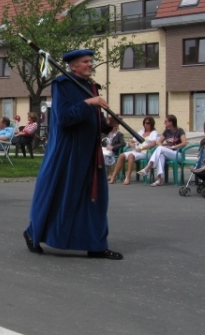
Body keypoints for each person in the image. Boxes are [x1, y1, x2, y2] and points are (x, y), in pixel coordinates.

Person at [23, 49, 123, 260]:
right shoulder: (63, 84)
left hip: (90, 153)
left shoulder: (91, 87)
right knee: (57, 196)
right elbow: (65, 118)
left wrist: (108, 124)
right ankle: (33, 233)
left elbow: (95, 123)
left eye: (90, 61)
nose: (90, 64)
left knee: (95, 200)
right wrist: (88, 103)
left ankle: (96, 245)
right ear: (73, 66)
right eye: (85, 62)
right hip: (67, 153)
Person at [138, 114, 188, 187]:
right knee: (160, 154)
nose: (164, 123)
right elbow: (158, 142)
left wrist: (173, 147)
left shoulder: (180, 130)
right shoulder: (166, 131)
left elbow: (184, 143)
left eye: (166, 121)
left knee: (160, 149)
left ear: (171, 122)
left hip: (178, 154)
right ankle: (159, 179)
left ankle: (148, 167)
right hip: (167, 153)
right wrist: (163, 147)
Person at [108, 116, 158, 185]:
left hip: (146, 152)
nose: (145, 125)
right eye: (144, 123)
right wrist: (131, 143)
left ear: (151, 124)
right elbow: (131, 140)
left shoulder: (153, 133)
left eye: (147, 123)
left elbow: (153, 143)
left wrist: (142, 148)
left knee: (131, 155)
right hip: (136, 151)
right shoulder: (141, 132)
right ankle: (113, 177)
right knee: (122, 155)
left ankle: (128, 177)